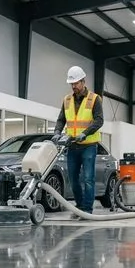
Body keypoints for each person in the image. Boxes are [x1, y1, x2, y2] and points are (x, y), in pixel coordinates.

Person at [53, 66, 104, 216]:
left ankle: (87, 210)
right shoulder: (67, 100)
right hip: (72, 145)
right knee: (73, 179)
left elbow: (99, 120)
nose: (74, 86)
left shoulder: (94, 99)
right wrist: (57, 131)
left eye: (76, 83)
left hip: (89, 146)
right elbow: (61, 119)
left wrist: (85, 133)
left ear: (83, 81)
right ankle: (80, 207)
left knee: (88, 178)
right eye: (72, 84)